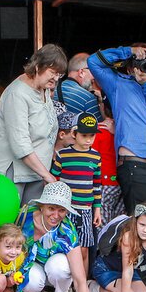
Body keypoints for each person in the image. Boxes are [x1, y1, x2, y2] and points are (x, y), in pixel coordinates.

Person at [88, 43, 146, 212]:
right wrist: (129, 51)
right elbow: (93, 62)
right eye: (142, 61)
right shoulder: (118, 84)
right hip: (135, 165)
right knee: (139, 225)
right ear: (130, 68)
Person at [16, 182, 100, 292]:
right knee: (30, 279)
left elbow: (80, 278)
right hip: (32, 267)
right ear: (42, 206)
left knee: (59, 266)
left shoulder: (68, 231)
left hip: (55, 270)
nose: (56, 214)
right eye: (51, 208)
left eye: (61, 210)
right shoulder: (23, 217)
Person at [0, 44, 67, 205]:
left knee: (29, 225)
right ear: (38, 67)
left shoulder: (43, 88)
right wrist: (47, 175)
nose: (56, 78)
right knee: (9, 226)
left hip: (36, 171)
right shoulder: (17, 94)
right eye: (53, 72)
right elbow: (20, 145)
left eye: (59, 74)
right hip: (13, 171)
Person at [50, 112, 102, 272]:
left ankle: (82, 284)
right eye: (84, 135)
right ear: (74, 133)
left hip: (86, 210)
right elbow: (52, 179)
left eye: (91, 136)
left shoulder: (95, 157)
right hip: (65, 210)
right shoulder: (63, 155)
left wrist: (97, 210)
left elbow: (97, 185)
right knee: (64, 246)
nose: (88, 140)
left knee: (84, 249)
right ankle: (68, 285)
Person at [93, 99, 122, 225]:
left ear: (102, 107)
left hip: (103, 183)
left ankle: (104, 245)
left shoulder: (97, 131)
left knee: (102, 225)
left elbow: (92, 159)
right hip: (120, 182)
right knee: (118, 224)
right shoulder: (124, 131)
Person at [53, 52, 102, 121]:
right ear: (81, 72)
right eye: (93, 71)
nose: (94, 77)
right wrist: (101, 103)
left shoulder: (51, 91)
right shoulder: (88, 98)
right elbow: (99, 127)